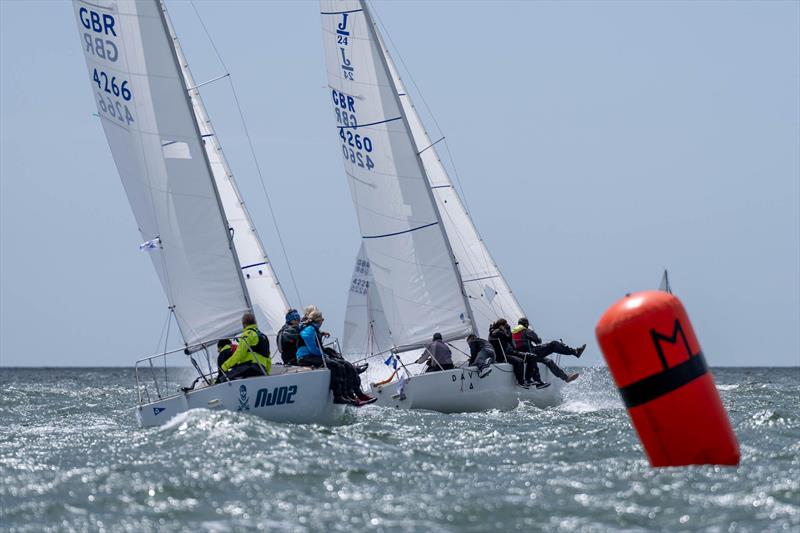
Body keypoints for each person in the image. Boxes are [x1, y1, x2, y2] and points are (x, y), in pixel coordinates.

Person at [296, 307, 375, 405]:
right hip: (305, 358)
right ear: (318, 320)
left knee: (346, 365)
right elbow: (312, 348)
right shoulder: (309, 330)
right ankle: (339, 396)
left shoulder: (313, 328)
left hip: (312, 355)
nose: (323, 321)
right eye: (322, 319)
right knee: (336, 365)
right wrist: (325, 356)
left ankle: (357, 394)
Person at [512, 317, 583, 383]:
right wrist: (537, 337)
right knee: (553, 344)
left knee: (549, 361)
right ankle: (575, 352)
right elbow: (537, 341)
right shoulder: (526, 330)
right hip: (531, 353)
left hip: (521, 355)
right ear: (526, 324)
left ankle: (566, 377)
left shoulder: (512, 332)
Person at [488, 319, 549, 389]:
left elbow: (510, 342)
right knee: (519, 361)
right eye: (505, 326)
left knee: (532, 357)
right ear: (501, 325)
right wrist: (508, 329)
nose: (506, 327)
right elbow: (508, 338)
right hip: (502, 356)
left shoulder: (498, 331)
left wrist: (506, 331)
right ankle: (521, 382)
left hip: (510, 353)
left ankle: (528, 380)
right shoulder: (497, 332)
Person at [220, 312, 271, 381]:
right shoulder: (263, 336)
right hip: (261, 368)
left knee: (223, 379)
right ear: (255, 322)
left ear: (244, 324)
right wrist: (267, 372)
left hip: (251, 366)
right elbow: (268, 356)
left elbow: (239, 354)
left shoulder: (247, 334)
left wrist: (224, 366)